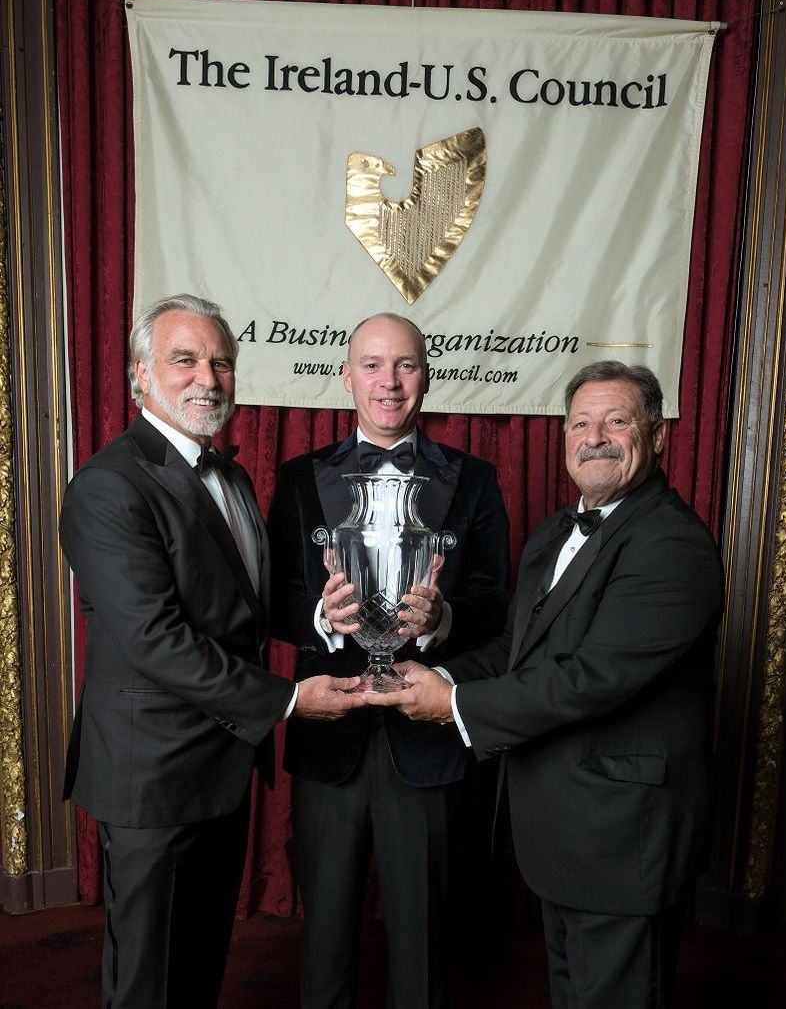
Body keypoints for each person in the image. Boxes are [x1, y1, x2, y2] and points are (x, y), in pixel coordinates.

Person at [367, 361, 725, 1009]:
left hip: (623, 840)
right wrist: (441, 672)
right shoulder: (557, 531)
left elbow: (588, 681)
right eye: (581, 423)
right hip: (563, 833)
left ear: (659, 434)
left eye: (617, 420)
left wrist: (451, 705)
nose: (596, 436)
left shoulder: (671, 545)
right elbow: (518, 648)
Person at [60, 294, 364, 1009]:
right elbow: (154, 639)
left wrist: (324, 616)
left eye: (222, 362)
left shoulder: (230, 476)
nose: (208, 377)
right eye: (185, 359)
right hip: (153, 774)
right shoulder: (108, 486)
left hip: (222, 766)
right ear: (141, 375)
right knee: (146, 981)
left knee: (197, 968)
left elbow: (238, 614)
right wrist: (289, 698)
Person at [267, 312, 510, 1009]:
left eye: (404, 365)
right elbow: (275, 595)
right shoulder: (299, 479)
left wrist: (444, 622)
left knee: (423, 940)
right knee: (325, 941)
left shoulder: (472, 479)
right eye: (372, 365)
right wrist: (321, 616)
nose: (389, 381)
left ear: (425, 376)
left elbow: (498, 599)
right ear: (346, 376)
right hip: (329, 734)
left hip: (427, 742)